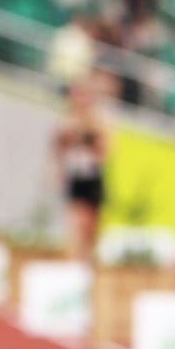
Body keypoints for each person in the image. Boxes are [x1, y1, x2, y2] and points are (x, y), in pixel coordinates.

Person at [54, 77, 108, 260]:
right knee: (76, 223)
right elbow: (59, 148)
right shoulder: (66, 120)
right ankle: (76, 261)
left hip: (91, 175)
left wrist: (87, 132)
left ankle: (87, 261)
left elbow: (103, 151)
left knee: (91, 227)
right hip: (76, 175)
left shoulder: (97, 120)